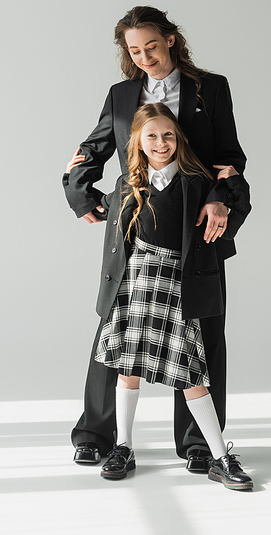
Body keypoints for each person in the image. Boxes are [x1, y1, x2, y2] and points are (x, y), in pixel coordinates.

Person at [63, 5, 250, 473]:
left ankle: (200, 445)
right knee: (116, 329)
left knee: (201, 333)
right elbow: (95, 146)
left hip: (197, 229)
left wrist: (220, 198)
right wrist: (81, 192)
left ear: (170, 39)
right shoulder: (121, 94)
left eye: (151, 45)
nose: (145, 56)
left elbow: (230, 156)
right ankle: (97, 435)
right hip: (135, 230)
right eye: (134, 50)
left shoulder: (211, 88)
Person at [89, 103, 252, 489]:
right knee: (128, 368)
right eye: (152, 136)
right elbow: (111, 229)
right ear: (138, 142)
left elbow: (235, 215)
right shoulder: (126, 184)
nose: (160, 143)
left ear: (178, 138)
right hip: (135, 282)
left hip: (179, 283)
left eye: (167, 135)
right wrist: (74, 181)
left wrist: (233, 183)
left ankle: (219, 457)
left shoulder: (200, 182)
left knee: (192, 373)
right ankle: (124, 447)